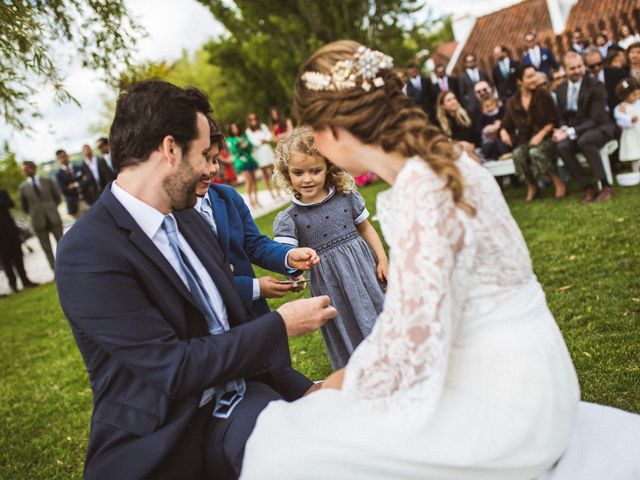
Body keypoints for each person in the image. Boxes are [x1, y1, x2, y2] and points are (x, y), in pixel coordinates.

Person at [240, 41, 640, 480]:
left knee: (279, 444)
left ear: (332, 129)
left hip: (511, 407)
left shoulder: (422, 189)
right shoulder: (450, 163)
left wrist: (328, 389)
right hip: (543, 371)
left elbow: (409, 349)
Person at [55, 79, 337, 480]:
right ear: (170, 150)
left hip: (243, 400)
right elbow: (172, 368)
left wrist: (304, 388)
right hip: (164, 435)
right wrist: (281, 324)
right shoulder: (87, 252)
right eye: (205, 155)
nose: (211, 168)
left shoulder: (189, 220)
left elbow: (229, 328)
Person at [272, 126, 388, 369]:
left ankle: (390, 358)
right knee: (346, 321)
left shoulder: (346, 197)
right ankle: (358, 368)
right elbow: (287, 258)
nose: (307, 178)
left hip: (364, 271)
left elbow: (365, 228)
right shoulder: (291, 218)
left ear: (328, 167)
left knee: (378, 313)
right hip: (331, 284)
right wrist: (295, 271)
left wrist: (382, 259)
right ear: (287, 172)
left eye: (315, 170)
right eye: (298, 172)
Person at [196, 122, 318, 318]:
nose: (211, 169)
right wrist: (254, 288)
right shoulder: (174, 213)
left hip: (254, 314)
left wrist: (288, 257)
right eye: (205, 160)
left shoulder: (227, 196)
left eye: (215, 160)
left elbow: (253, 243)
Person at [553, 52, 616, 203]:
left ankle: (606, 186)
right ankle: (588, 187)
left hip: (599, 127)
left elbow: (596, 118)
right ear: (565, 70)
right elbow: (561, 116)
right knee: (562, 147)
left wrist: (569, 131)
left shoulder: (595, 85)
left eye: (579, 66)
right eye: (572, 68)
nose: (576, 71)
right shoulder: (561, 88)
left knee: (585, 141)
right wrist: (562, 129)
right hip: (574, 130)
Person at [501, 64, 566, 201]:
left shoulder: (544, 95)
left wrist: (540, 135)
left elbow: (554, 120)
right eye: (529, 77)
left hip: (547, 138)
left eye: (535, 75)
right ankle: (532, 186)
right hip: (527, 140)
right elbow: (506, 124)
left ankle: (557, 181)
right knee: (518, 154)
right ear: (520, 81)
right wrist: (503, 132)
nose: (534, 79)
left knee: (535, 152)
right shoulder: (513, 102)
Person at [18, 161, 63, 270]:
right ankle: (55, 271)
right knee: (46, 248)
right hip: (38, 221)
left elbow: (57, 198)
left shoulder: (47, 181)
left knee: (62, 245)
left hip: (53, 218)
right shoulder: (23, 188)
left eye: (26, 169)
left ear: (33, 168)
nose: (25, 171)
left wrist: (50, 209)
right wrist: (35, 214)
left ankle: (68, 267)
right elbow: (24, 207)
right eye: (23, 170)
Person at [0, 188, 38, 293]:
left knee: (18, 256)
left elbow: (11, 204)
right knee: (5, 260)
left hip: (10, 230)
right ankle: (13, 284)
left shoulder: (2, 192)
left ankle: (25, 280)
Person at [436, 90, 481, 160]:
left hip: (473, 150)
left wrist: (472, 146)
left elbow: (477, 136)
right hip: (454, 154)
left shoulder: (468, 115)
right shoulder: (439, 123)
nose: (454, 101)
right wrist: (460, 144)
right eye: (449, 100)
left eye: (454, 98)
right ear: (443, 106)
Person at [246, 113, 280, 200]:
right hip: (259, 152)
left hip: (267, 149)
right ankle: (271, 193)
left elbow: (269, 137)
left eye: (255, 119)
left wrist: (264, 139)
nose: (254, 121)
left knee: (273, 171)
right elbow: (254, 142)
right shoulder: (248, 131)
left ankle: (278, 191)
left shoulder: (263, 126)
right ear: (249, 121)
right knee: (265, 173)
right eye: (251, 119)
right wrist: (262, 140)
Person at [583, 47, 627, 113]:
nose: (597, 68)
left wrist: (625, 103)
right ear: (585, 66)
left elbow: (630, 89)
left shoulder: (617, 73)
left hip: (618, 113)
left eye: (599, 64)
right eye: (592, 66)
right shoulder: (583, 81)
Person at [227, 122, 260, 209]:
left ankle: (256, 200)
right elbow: (234, 150)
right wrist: (241, 146)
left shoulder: (244, 136)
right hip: (241, 162)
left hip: (249, 160)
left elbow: (250, 145)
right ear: (230, 130)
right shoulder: (230, 139)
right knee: (248, 181)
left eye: (236, 127)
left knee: (254, 180)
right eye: (233, 128)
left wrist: (245, 145)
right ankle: (250, 201)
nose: (235, 129)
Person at [55, 149, 91, 219]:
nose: (63, 159)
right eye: (61, 157)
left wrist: (75, 185)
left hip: (87, 200)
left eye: (64, 156)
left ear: (68, 156)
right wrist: (81, 183)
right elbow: (64, 190)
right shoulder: (59, 175)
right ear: (58, 160)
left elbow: (87, 182)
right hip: (74, 205)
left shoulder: (79, 168)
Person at [614, 78, 640, 173]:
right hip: (631, 134)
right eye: (634, 95)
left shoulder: (639, 103)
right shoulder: (621, 107)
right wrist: (629, 120)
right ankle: (636, 171)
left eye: (638, 94)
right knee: (635, 153)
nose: (637, 97)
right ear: (625, 96)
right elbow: (620, 120)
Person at [479, 96, 510, 160]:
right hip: (489, 138)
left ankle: (505, 154)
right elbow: (481, 128)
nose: (490, 108)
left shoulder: (501, 112)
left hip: (500, 136)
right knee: (486, 144)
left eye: (491, 105)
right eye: (487, 106)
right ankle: (487, 156)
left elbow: (504, 123)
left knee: (500, 141)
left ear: (496, 104)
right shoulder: (483, 117)